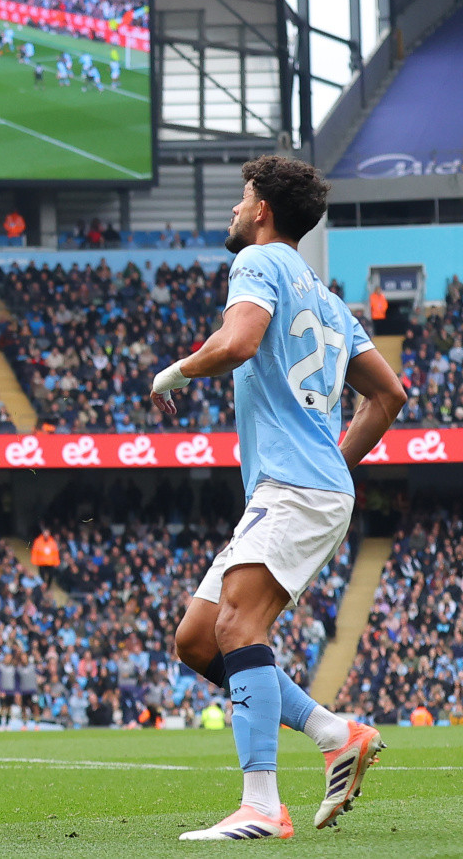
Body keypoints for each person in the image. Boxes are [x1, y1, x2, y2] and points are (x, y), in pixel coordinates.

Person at [153, 156, 405, 841]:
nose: (236, 209)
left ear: (263, 209)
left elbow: (239, 342)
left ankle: (262, 805)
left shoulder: (257, 262)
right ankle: (335, 734)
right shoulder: (328, 301)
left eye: (242, 197)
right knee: (198, 638)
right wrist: (334, 467)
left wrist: (174, 373)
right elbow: (389, 395)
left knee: (238, 625)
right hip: (304, 486)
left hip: (294, 487)